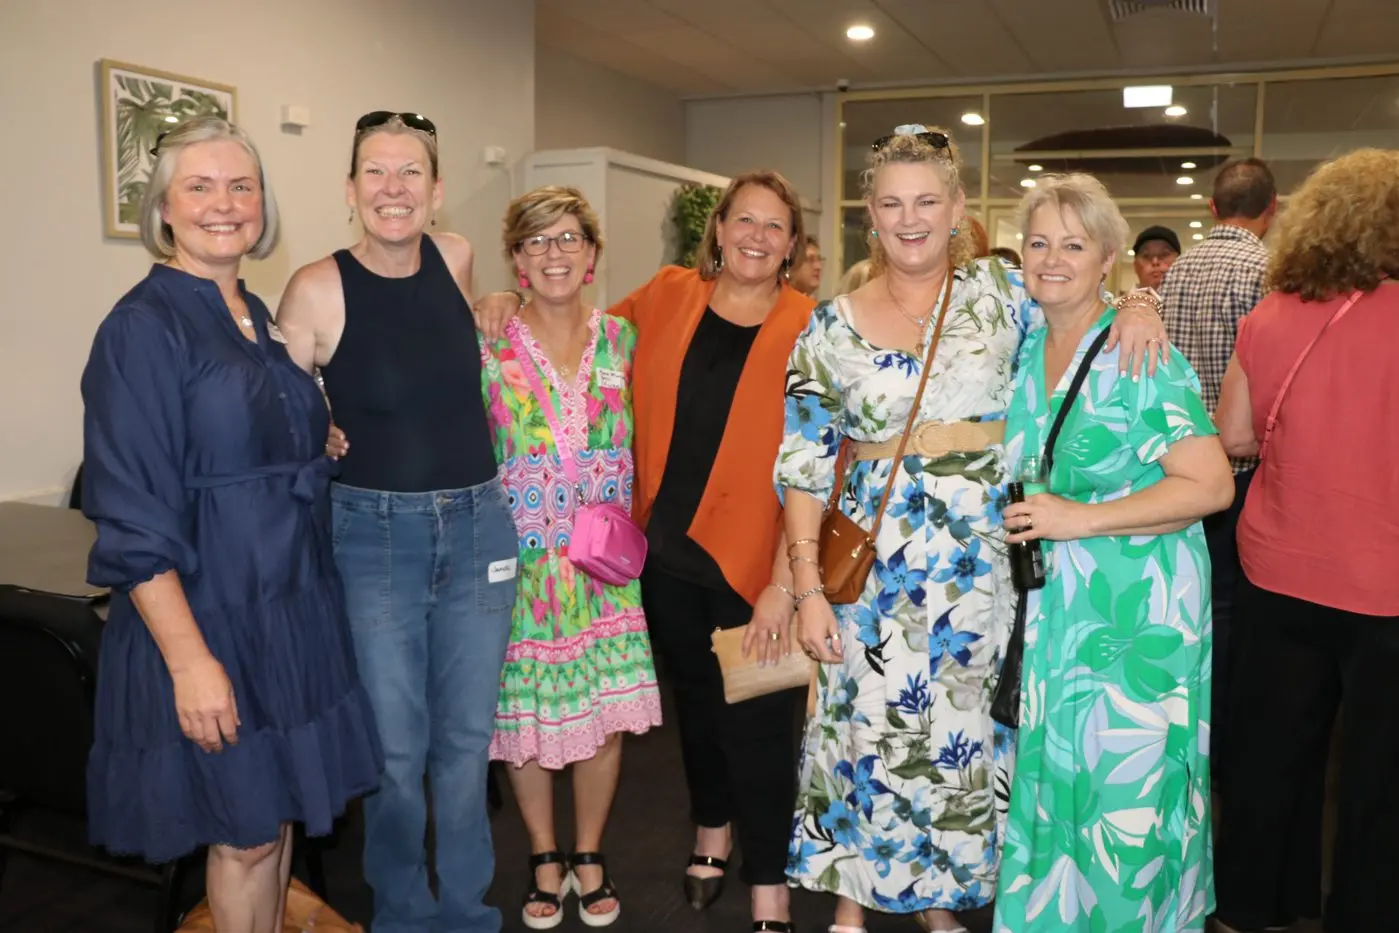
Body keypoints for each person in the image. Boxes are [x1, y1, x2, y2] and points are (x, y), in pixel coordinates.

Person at [778, 125, 1167, 933]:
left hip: (980, 574)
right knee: (861, 730)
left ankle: (937, 903)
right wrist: (805, 588)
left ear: (956, 208)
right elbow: (803, 466)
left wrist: (1138, 298)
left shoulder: (1001, 295)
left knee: (960, 744)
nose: (909, 218)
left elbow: (1081, 296)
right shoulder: (829, 326)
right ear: (869, 216)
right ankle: (851, 904)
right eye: (890, 203)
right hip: (873, 574)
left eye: (927, 200)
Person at [477, 170, 813, 933]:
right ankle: (710, 830)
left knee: (760, 722)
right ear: (718, 229)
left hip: (752, 557)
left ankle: (769, 882)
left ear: (792, 244)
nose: (756, 237)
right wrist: (494, 299)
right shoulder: (665, 297)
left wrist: (790, 576)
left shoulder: (809, 323)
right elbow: (562, 318)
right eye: (743, 221)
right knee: (695, 709)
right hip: (656, 557)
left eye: (774, 226)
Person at [80, 116, 383, 932]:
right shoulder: (143, 328)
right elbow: (131, 509)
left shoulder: (252, 312)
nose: (226, 203)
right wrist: (189, 662)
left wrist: (307, 435)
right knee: (244, 836)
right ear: (165, 209)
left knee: (276, 822)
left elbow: (241, 435)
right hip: (210, 615)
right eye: (201, 186)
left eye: (241, 185)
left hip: (291, 607)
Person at [275, 112, 517, 933]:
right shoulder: (315, 285)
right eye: (375, 173)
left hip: (480, 523)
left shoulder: (455, 257)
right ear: (349, 190)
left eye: (410, 172)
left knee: (465, 740)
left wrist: (499, 296)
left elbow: (463, 339)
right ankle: (406, 913)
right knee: (397, 749)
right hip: (375, 534)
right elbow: (271, 408)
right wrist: (315, 422)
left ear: (437, 190)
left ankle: (468, 907)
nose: (393, 189)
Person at [993, 173, 1232, 933]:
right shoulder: (1025, 338)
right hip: (1058, 614)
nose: (1052, 259)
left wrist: (1080, 519)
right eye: (1038, 242)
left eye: (1073, 244)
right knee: (1060, 790)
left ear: (1107, 259)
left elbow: (1210, 484)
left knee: (1121, 807)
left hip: (1135, 622)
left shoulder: (1140, 354)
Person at [1212, 148, 1399, 933]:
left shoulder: (1270, 314)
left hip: (1278, 565)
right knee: (1376, 776)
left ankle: (1252, 907)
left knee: (1267, 757)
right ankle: (1362, 911)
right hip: (1385, 583)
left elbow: (1231, 434)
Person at [482, 185, 662, 929]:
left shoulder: (623, 339)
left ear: (591, 255)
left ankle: (588, 850)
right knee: (525, 718)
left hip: (603, 567)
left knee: (604, 716)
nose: (553, 253)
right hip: (520, 565)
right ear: (517, 259)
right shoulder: (485, 340)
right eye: (536, 241)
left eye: (567, 239)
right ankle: (543, 852)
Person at [1159, 158, 1277, 792]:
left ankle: (1183, 732)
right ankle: (1221, 741)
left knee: (1191, 603)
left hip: (1175, 463)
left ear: (1211, 206)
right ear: (1272, 208)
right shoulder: (1265, 274)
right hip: (1239, 464)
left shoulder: (1176, 271)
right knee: (1231, 608)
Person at [1130, 224, 1181, 291]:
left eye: (1164, 254)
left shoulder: (1192, 300)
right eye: (1146, 256)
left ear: (1179, 261)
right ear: (1135, 266)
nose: (1155, 262)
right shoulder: (1121, 301)